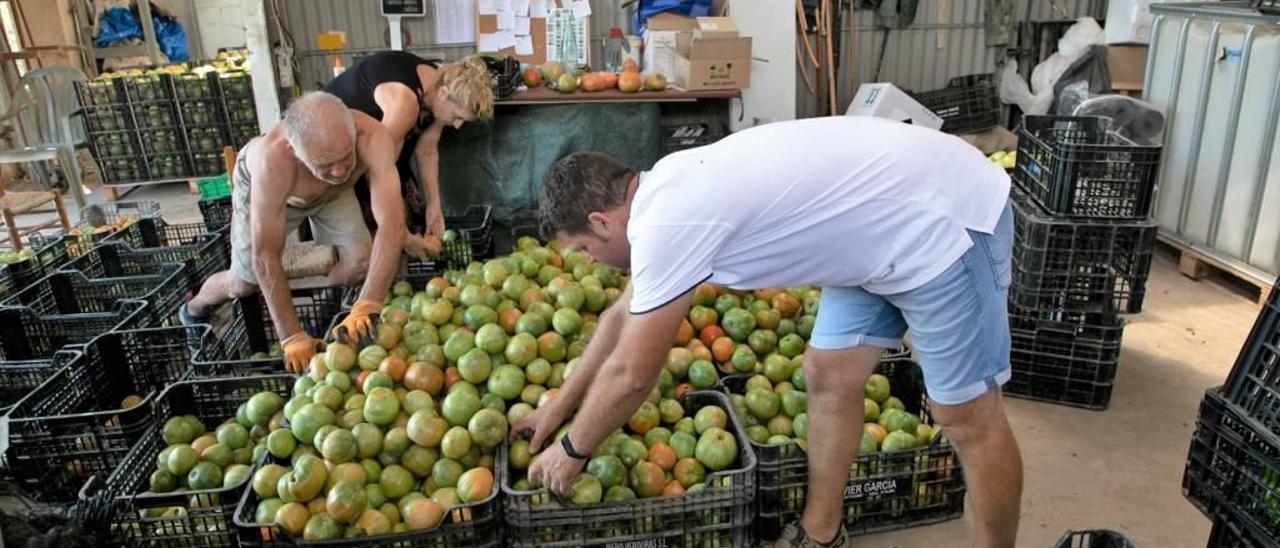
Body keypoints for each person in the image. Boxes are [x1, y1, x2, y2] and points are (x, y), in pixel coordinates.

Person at [514, 116, 1023, 548]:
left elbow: (632, 374)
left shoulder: (667, 223)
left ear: (602, 222)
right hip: (876, 230)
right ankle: (821, 532)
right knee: (828, 374)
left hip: (943, 219)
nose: (592, 264)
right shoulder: (663, 193)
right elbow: (618, 319)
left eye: (583, 250)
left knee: (967, 417)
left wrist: (574, 449)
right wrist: (556, 410)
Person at [180, 91, 408, 373]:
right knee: (244, 283)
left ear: (352, 131)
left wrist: (368, 302)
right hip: (279, 195)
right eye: (325, 164)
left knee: (361, 264)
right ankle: (195, 307)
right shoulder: (272, 160)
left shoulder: (373, 136)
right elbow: (265, 254)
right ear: (294, 149)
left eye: (345, 158)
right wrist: (290, 335)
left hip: (332, 194)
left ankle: (328, 312)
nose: (339, 170)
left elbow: (391, 223)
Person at [323, 51, 495, 258]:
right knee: (371, 252)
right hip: (338, 157)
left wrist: (434, 205)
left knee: (415, 226)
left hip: (383, 155)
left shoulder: (438, 87)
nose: (457, 126)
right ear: (443, 94)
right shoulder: (405, 103)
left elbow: (427, 151)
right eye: (457, 117)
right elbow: (377, 170)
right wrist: (400, 234)